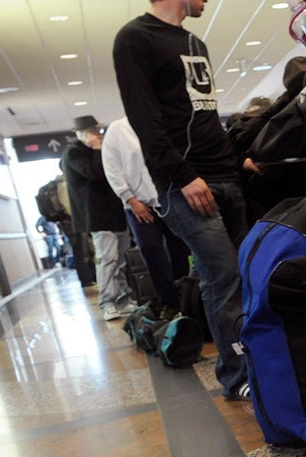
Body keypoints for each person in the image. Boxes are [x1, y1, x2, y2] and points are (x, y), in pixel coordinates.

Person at [112, 0, 251, 399]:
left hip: (224, 175)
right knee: (223, 274)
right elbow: (145, 119)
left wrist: (237, 157)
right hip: (183, 183)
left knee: (241, 272)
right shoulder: (135, 38)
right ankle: (237, 374)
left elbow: (203, 115)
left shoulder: (194, 41)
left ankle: (258, 362)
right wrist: (184, 175)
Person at [101, 116, 192, 309]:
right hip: (138, 203)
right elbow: (112, 168)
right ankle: (168, 302)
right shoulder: (117, 129)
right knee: (151, 251)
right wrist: (131, 199)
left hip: (170, 198)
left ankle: (185, 299)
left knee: (180, 250)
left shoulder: (161, 122)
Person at [62, 116, 135, 321]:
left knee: (120, 260)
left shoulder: (102, 150)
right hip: (97, 215)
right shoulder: (74, 153)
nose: (98, 135)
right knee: (107, 259)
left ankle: (123, 299)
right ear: (83, 133)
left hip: (116, 212)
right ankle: (107, 302)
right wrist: (95, 149)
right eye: (93, 131)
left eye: (98, 130)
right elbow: (94, 173)